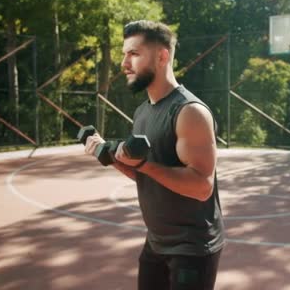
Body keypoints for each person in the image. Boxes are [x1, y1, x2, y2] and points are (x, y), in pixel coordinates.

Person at [84, 20, 225, 290]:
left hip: (192, 247)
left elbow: (201, 187)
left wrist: (145, 165)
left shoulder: (189, 112)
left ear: (162, 56)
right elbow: (145, 175)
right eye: (125, 54)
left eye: (134, 54)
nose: (124, 63)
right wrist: (110, 157)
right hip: (157, 241)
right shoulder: (142, 112)